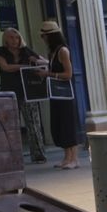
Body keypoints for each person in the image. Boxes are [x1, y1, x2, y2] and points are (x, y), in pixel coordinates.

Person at [0, 28, 47, 164]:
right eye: (11, 37)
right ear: (5, 39)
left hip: (28, 92)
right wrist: (24, 66)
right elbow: (5, 67)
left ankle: (38, 154)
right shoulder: (0, 52)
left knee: (33, 124)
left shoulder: (26, 51)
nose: (14, 40)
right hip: (9, 93)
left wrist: (36, 62)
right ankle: (13, 156)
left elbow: (45, 62)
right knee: (10, 125)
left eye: (16, 38)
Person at [38, 21, 81, 169]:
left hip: (65, 95)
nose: (43, 38)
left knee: (68, 125)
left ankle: (74, 158)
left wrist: (48, 74)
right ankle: (67, 157)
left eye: (44, 36)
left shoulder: (63, 51)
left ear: (51, 36)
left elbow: (68, 74)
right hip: (56, 94)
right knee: (59, 126)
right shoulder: (54, 52)